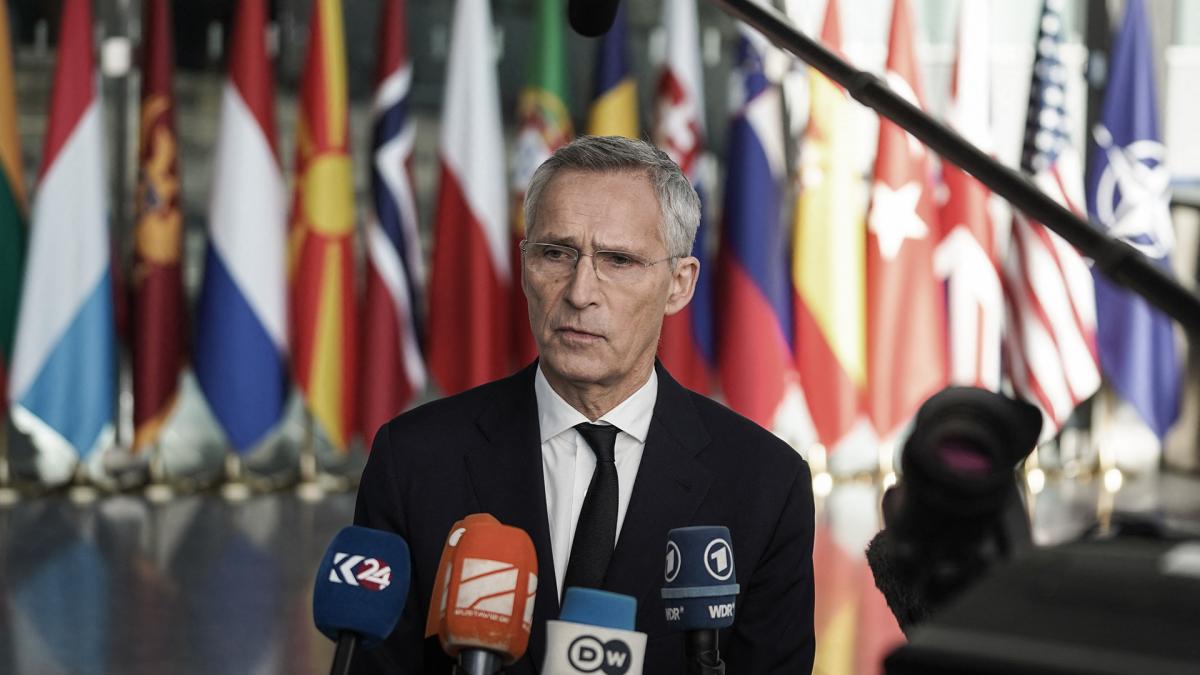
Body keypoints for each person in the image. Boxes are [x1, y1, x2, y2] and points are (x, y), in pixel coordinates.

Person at [353, 136, 815, 673]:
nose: (579, 292)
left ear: (679, 285)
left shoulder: (765, 483)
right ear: (524, 265)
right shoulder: (413, 460)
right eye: (555, 253)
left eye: (619, 260)